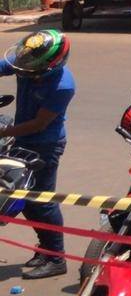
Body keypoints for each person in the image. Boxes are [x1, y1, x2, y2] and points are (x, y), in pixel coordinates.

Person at [0, 30, 76, 279]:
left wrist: (4, 132)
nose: (21, 69)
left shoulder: (62, 85)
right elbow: (6, 66)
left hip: (45, 143)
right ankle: (46, 248)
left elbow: (38, 124)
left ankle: (56, 258)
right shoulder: (27, 61)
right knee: (25, 200)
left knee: (40, 202)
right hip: (22, 138)